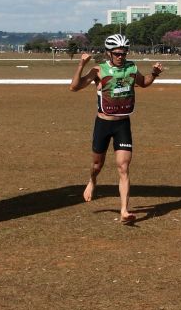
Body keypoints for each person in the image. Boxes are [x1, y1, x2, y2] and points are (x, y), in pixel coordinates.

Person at [70, 33, 163, 224]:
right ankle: (93, 181)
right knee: (97, 165)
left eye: (124, 53)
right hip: (103, 124)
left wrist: (154, 74)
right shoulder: (99, 70)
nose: (121, 56)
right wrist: (81, 65)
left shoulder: (131, 68)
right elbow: (75, 87)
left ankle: (124, 211)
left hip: (122, 124)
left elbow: (143, 83)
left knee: (123, 167)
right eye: (117, 53)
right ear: (109, 53)